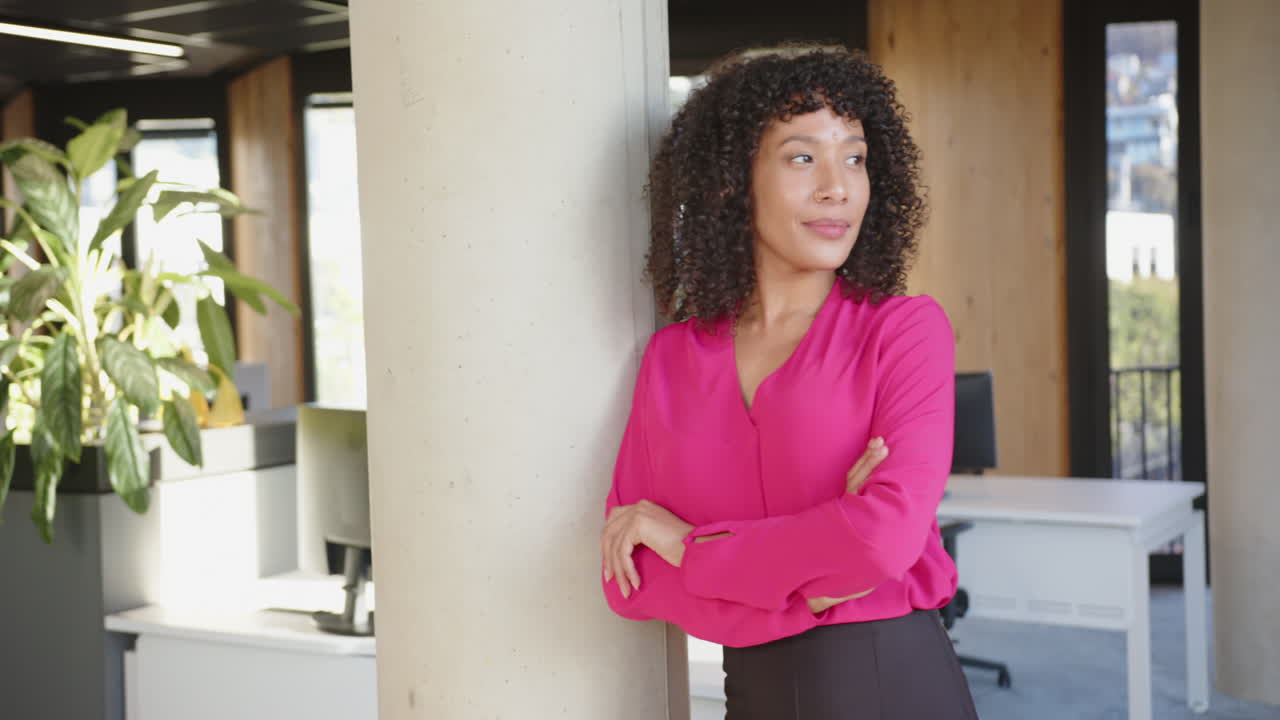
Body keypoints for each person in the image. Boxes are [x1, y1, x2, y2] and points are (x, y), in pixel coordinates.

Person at [599, 44, 979, 719]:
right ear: (731, 181)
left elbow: (882, 541)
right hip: (753, 697)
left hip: (892, 684)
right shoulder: (670, 360)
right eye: (803, 157)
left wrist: (691, 545)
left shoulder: (904, 333)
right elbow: (631, 578)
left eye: (855, 158)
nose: (837, 185)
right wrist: (823, 573)